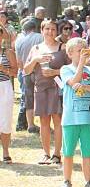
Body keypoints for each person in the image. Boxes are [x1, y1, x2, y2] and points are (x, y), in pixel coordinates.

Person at [59, 38, 90, 187]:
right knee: (68, 152)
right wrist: (82, 65)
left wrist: (86, 87)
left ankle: (88, 182)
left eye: (85, 50)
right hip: (70, 119)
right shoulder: (65, 69)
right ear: (70, 53)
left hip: (88, 118)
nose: (82, 53)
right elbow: (73, 81)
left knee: (88, 152)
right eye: (79, 51)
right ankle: (66, 181)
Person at [24, 20, 67, 166]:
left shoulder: (63, 48)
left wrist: (55, 72)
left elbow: (71, 70)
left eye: (53, 29)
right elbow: (26, 70)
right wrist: (35, 59)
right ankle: (46, 153)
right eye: (47, 29)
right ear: (42, 31)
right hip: (41, 89)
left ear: (57, 31)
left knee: (58, 121)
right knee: (44, 122)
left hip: (57, 89)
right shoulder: (35, 48)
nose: (50, 32)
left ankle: (57, 154)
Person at [14, 18, 42, 133]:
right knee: (40, 97)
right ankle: (41, 122)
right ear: (34, 28)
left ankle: (29, 124)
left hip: (24, 72)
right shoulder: (40, 37)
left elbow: (18, 61)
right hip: (38, 71)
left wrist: (22, 71)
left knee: (27, 98)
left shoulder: (18, 40)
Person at [0, 23, 18, 164]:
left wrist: (3, 69)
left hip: (4, 87)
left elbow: (15, 73)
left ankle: (6, 151)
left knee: (5, 120)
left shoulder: (7, 52)